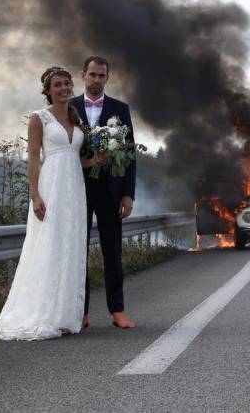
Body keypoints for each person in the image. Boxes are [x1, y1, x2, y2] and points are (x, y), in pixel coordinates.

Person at [0, 67, 104, 340]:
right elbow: (34, 158)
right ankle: (41, 313)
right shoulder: (39, 118)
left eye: (67, 83)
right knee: (49, 245)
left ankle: (65, 315)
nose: (65, 88)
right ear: (48, 90)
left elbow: (73, 156)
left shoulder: (75, 117)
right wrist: (35, 195)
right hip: (52, 187)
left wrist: (95, 160)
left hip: (75, 190)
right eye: (58, 85)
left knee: (71, 248)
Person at [70, 56, 137, 330]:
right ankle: (81, 313)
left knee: (113, 252)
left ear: (107, 78)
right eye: (93, 75)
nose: (97, 80)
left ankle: (117, 311)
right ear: (83, 75)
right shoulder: (69, 107)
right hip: (77, 188)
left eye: (102, 76)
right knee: (77, 253)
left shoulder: (120, 109)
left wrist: (128, 194)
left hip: (111, 190)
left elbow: (130, 154)